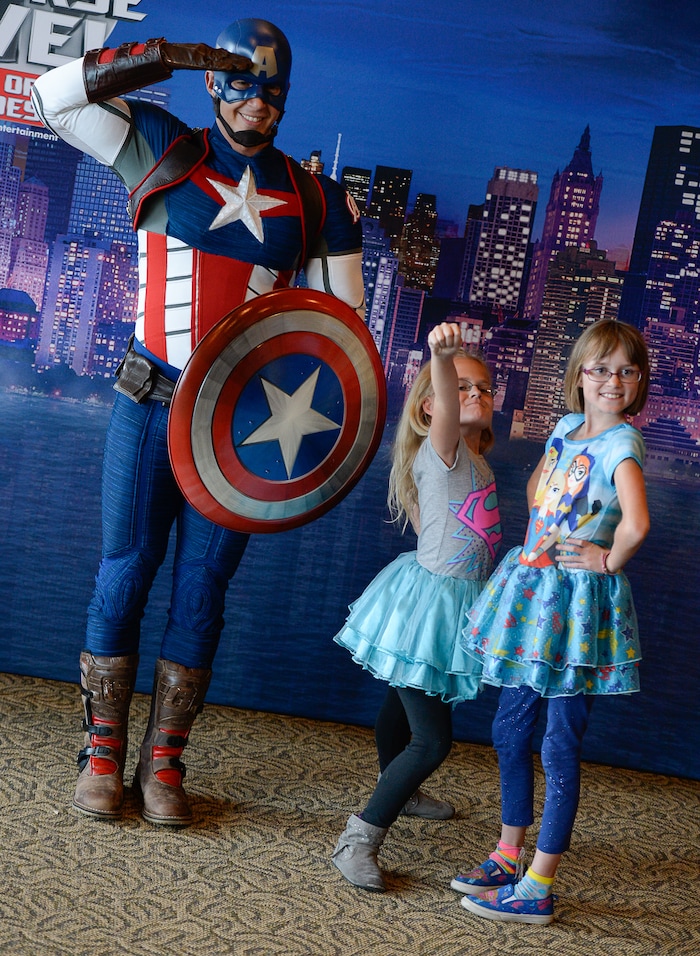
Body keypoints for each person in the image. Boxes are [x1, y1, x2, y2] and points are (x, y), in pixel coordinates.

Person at [30, 19, 365, 826]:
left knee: (202, 590)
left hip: (239, 432)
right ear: (212, 82)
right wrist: (160, 57)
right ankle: (102, 750)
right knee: (125, 568)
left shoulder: (316, 198)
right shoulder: (161, 147)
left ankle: (165, 762)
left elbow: (341, 331)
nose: (258, 100)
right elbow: (51, 98)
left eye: (273, 87)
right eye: (241, 80)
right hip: (149, 400)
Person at [453, 319, 650, 924]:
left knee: (559, 744)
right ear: (579, 377)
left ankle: (540, 883)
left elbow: (637, 523)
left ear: (637, 381)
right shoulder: (566, 428)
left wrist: (605, 556)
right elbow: (543, 482)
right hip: (534, 592)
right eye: (599, 368)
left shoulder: (623, 445)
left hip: (577, 609)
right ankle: (509, 852)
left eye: (624, 370)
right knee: (511, 729)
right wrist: (547, 513)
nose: (611, 380)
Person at [332, 322, 503, 892]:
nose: (474, 395)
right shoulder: (446, 451)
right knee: (431, 740)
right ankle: (358, 837)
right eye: (461, 388)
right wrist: (444, 356)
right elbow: (451, 401)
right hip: (426, 606)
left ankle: (397, 789)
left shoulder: (477, 460)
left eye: (484, 387)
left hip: (453, 607)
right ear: (432, 409)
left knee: (397, 708)